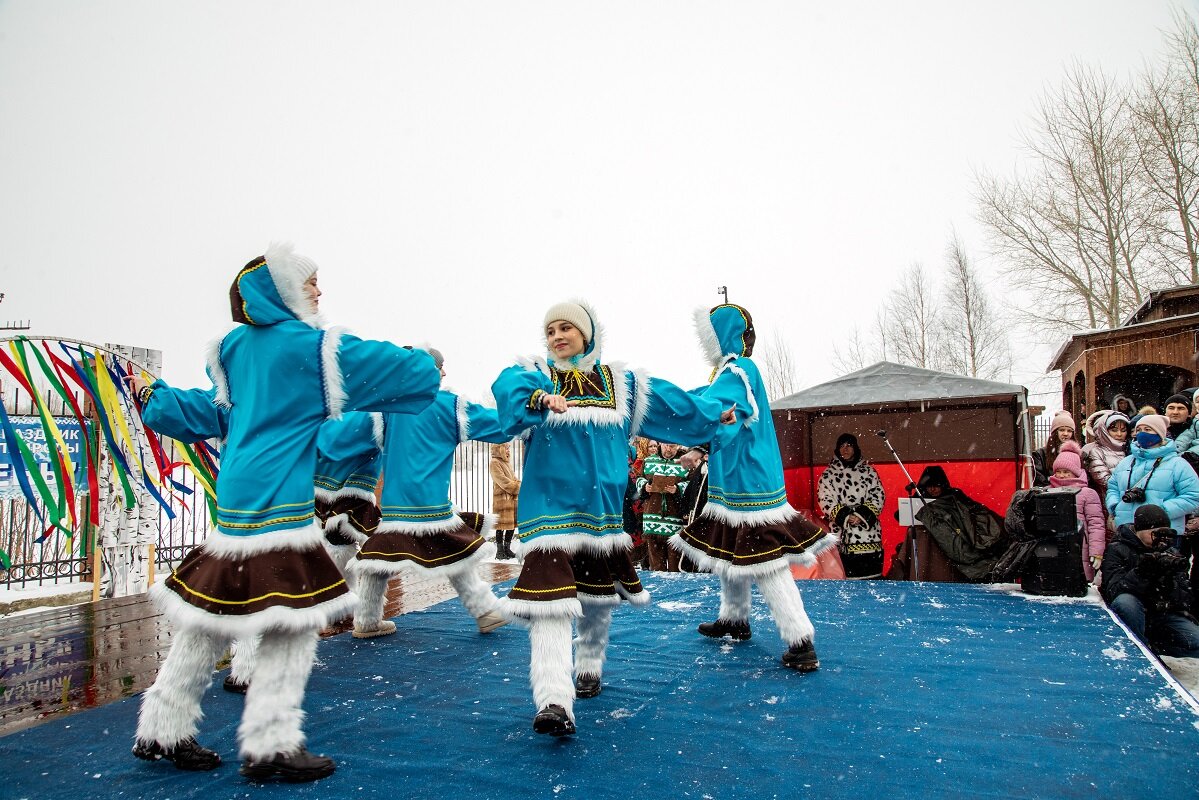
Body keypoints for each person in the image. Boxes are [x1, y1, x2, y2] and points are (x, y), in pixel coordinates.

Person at [130, 243, 441, 782]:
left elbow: (213, 412)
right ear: (282, 291)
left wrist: (153, 396)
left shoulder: (233, 348)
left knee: (207, 619)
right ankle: (271, 744)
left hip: (238, 499)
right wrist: (424, 358)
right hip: (280, 503)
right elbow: (413, 377)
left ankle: (161, 729)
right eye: (311, 282)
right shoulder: (313, 348)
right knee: (293, 625)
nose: (319, 292)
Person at [491, 300, 732, 737]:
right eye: (551, 330)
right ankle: (552, 700)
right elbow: (508, 388)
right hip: (548, 512)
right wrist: (539, 397)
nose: (557, 336)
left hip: (602, 514)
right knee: (549, 605)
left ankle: (589, 663)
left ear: (587, 333)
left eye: (567, 327)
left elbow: (674, 406)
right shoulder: (535, 374)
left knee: (596, 599)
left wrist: (713, 415)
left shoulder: (623, 385)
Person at [671, 304, 836, 672]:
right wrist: (698, 437)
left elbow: (721, 410)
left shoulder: (738, 370)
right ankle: (734, 618)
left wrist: (690, 432)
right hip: (738, 478)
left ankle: (800, 640)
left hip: (749, 482)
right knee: (732, 547)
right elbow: (720, 411)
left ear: (720, 336)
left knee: (766, 561)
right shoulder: (730, 372)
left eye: (709, 335)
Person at [351, 349, 510, 637]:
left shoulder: (387, 408)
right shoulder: (448, 406)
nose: (444, 373)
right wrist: (530, 413)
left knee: (380, 560)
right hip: (431, 503)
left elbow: (345, 438)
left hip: (396, 507)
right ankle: (486, 611)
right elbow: (500, 426)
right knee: (455, 554)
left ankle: (366, 620)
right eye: (440, 366)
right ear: (427, 370)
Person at [1100, 504, 1199, 659]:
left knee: (1195, 643)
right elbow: (1114, 591)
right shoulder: (1117, 549)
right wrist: (1141, 572)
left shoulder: (1171, 553)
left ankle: (1155, 646)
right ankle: (1139, 649)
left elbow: (1186, 597)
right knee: (1125, 602)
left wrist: (1167, 581)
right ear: (1140, 531)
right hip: (1135, 611)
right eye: (1156, 533)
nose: (1162, 539)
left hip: (1163, 613)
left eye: (1167, 534)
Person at [912, 465, 1009, 582]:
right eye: (929, 486)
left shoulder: (954, 495)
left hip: (962, 534)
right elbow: (900, 514)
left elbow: (971, 510)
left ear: (942, 485)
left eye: (936, 486)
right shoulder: (919, 498)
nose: (933, 490)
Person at [1106, 414, 1199, 536]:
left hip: (1163, 533)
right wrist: (1115, 507)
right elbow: (1112, 487)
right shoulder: (1126, 462)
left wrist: (1160, 511)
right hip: (1127, 531)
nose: (1141, 433)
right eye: (1138, 430)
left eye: (1148, 429)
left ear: (1160, 434)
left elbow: (1193, 496)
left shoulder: (1177, 464)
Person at [816, 432, 885, 579]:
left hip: (869, 536)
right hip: (842, 535)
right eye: (841, 446)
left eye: (849, 445)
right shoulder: (828, 475)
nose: (845, 449)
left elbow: (878, 495)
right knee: (847, 581)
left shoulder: (869, 472)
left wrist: (861, 515)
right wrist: (846, 516)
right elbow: (825, 500)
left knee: (873, 580)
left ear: (855, 448)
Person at [1049, 440, 1107, 581]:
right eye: (1059, 472)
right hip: (1054, 546)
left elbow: (1096, 524)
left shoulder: (1088, 493)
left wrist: (1096, 551)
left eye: (1066, 472)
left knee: (1079, 583)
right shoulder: (1048, 492)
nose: (1062, 476)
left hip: (1081, 547)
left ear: (1075, 472)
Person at [639, 441, 688, 571]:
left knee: (675, 565)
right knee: (656, 566)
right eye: (666, 445)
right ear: (660, 444)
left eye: (672, 446)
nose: (668, 449)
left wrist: (678, 489)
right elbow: (639, 478)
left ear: (678, 446)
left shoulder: (684, 462)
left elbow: (691, 483)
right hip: (652, 516)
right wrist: (645, 487)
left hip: (674, 517)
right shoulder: (649, 461)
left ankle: (675, 588)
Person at [1081, 411, 1130, 503]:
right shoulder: (1096, 451)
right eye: (1114, 430)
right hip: (1106, 501)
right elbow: (1104, 479)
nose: (1119, 434)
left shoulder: (1131, 449)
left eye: (1123, 430)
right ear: (1104, 430)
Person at [489, 441, 521, 560]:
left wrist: (518, 483)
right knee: (501, 525)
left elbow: (513, 478)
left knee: (511, 525)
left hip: (511, 498)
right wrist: (516, 487)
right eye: (506, 448)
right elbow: (503, 481)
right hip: (502, 499)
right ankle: (500, 551)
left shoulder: (506, 462)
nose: (508, 451)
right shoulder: (494, 462)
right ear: (500, 449)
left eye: (508, 448)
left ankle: (507, 549)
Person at [1032, 411, 1075, 487]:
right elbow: (1040, 481)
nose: (1066, 433)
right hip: (1050, 496)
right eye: (1062, 430)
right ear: (1055, 432)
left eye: (1069, 431)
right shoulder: (1040, 455)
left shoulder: (1081, 454)